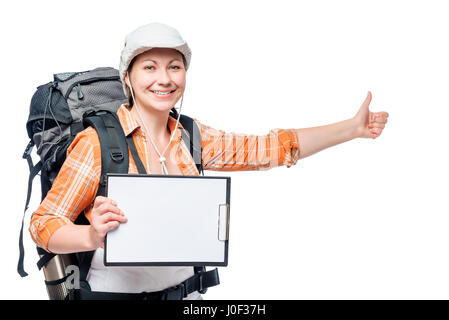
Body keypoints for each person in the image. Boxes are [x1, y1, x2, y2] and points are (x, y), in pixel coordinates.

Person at [29, 22, 389, 300]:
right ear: (128, 78)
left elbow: (272, 148)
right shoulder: (96, 143)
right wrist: (92, 234)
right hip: (115, 294)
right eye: (150, 67)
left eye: (174, 67)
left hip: (190, 294)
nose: (164, 79)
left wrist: (351, 129)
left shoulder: (191, 137)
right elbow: (43, 225)